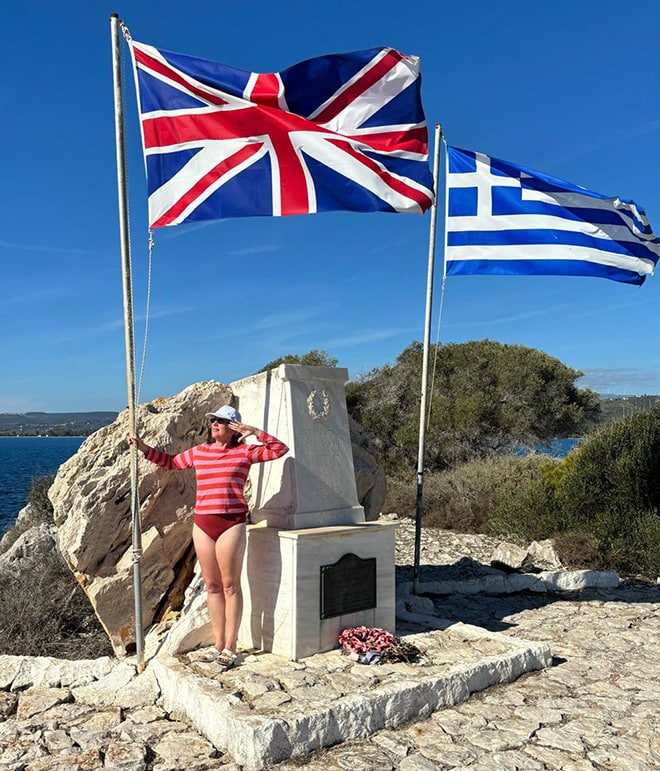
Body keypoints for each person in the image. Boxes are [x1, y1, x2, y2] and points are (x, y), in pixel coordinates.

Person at [128, 404, 288, 668]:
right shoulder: (200, 452)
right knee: (212, 587)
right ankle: (218, 645)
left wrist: (254, 432)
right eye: (213, 420)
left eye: (221, 421)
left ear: (234, 427)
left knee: (230, 585)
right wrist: (143, 448)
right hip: (203, 524)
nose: (214, 424)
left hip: (231, 523)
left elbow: (279, 450)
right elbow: (170, 463)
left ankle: (231, 647)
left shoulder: (245, 452)